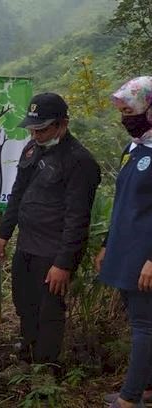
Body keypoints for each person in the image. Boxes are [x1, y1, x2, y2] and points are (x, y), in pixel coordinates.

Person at [0, 93, 101, 365]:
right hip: (27, 243)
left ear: (62, 124)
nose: (35, 134)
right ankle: (28, 352)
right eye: (32, 128)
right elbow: (17, 192)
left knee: (49, 310)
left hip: (53, 250)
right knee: (24, 302)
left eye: (41, 129)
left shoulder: (79, 162)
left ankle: (46, 368)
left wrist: (63, 263)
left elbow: (78, 218)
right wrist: (4, 233)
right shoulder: (32, 149)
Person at [96, 76, 152, 408]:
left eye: (131, 109)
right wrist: (107, 243)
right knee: (141, 321)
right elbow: (122, 203)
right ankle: (146, 388)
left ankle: (130, 398)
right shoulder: (133, 149)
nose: (125, 117)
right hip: (126, 249)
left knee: (145, 326)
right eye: (123, 110)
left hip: (145, 256)